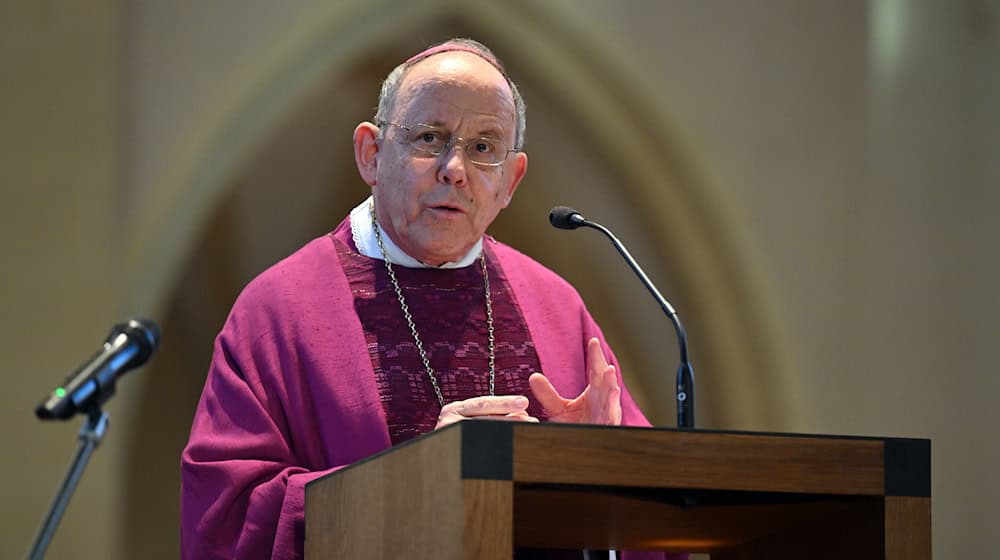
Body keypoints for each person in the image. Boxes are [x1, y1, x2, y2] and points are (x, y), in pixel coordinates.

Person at [181, 38, 679, 560]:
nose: (455, 168)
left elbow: (655, 527)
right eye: (429, 137)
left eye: (484, 147)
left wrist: (594, 469)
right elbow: (226, 519)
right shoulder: (278, 311)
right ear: (371, 154)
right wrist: (413, 479)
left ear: (511, 181)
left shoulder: (555, 306)